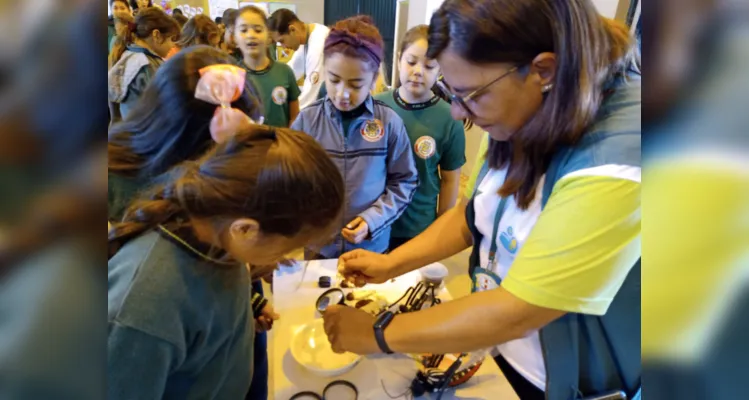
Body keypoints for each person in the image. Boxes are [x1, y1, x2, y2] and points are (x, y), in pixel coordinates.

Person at [325, 1, 642, 400]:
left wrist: (378, 334)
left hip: (557, 380)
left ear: (543, 70)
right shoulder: (525, 106)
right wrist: (391, 265)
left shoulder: (623, 159)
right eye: (451, 94)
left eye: (468, 94)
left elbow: (520, 311)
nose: (458, 113)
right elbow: (472, 214)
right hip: (492, 345)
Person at [108, 126, 345, 399]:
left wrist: (248, 305)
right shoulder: (143, 311)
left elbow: (208, 300)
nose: (282, 259)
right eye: (288, 248)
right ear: (245, 230)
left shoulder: (219, 231)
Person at [292, 16, 418, 259]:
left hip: (371, 248)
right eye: (334, 80)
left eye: (355, 84)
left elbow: (404, 181)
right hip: (318, 248)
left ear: (373, 80)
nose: (342, 93)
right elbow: (290, 182)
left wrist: (372, 221)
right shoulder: (306, 122)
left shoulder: (389, 123)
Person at [374, 25, 465, 250]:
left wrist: (441, 229)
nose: (418, 71)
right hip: (375, 223)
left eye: (429, 65)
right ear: (398, 60)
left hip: (418, 229)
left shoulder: (449, 118)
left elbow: (450, 180)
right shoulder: (376, 107)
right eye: (411, 61)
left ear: (439, 70)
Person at [108, 7, 179, 123]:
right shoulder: (146, 64)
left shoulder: (128, 55)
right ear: (156, 35)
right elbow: (163, 109)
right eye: (172, 39)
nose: (173, 46)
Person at [234, 6, 300, 128]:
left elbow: (294, 117)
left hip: (281, 144)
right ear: (235, 38)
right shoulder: (232, 76)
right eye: (243, 30)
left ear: (269, 36)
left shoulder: (285, 72)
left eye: (258, 30)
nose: (251, 35)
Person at [268, 8, 330, 108]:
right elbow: (290, 71)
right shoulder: (307, 35)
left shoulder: (318, 44)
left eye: (282, 41)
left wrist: (289, 113)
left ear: (292, 30)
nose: (283, 47)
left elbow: (311, 96)